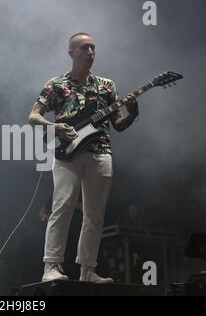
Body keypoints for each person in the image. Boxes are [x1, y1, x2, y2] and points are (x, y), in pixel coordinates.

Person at [28, 32, 139, 283]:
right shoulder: (57, 84)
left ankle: (87, 270)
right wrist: (55, 127)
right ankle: (51, 267)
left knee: (95, 213)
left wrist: (132, 114)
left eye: (93, 48)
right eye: (85, 48)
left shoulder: (107, 86)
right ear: (71, 53)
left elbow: (118, 124)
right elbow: (33, 116)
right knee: (63, 206)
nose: (90, 52)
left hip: (101, 151)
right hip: (68, 152)